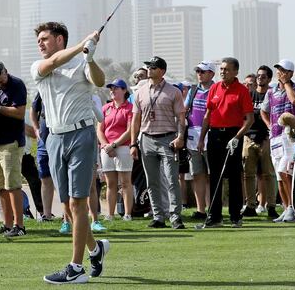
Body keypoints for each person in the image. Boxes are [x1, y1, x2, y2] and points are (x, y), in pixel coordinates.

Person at [31, 22, 109, 285]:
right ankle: (95, 249)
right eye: (38, 40)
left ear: (59, 39)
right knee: (67, 207)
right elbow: (50, 63)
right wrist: (82, 45)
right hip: (54, 137)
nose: (40, 43)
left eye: (45, 39)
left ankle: (76, 267)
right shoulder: (38, 66)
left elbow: (100, 81)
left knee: (78, 203)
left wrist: (90, 57)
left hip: (82, 135)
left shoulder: (81, 63)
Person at [129, 56, 186, 230]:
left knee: (171, 180)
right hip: (147, 139)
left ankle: (175, 217)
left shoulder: (173, 91)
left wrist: (180, 136)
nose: (149, 70)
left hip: (168, 139)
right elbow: (135, 120)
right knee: (152, 181)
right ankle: (158, 217)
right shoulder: (140, 91)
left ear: (162, 71)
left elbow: (181, 118)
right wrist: (133, 144)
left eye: (153, 68)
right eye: (148, 67)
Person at [197, 57, 254, 228]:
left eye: (227, 69)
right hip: (215, 135)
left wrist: (237, 138)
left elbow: (249, 119)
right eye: (221, 69)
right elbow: (207, 115)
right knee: (215, 176)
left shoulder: (242, 90)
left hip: (233, 134)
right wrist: (201, 138)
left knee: (234, 176)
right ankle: (215, 217)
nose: (223, 72)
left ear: (236, 72)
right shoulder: (214, 88)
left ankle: (235, 216)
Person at [260, 59, 295, 223]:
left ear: (290, 73)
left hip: (292, 136)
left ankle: (293, 207)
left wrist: (286, 84)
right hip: (276, 137)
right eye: (279, 70)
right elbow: (263, 111)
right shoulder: (271, 92)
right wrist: (269, 125)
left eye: (284, 70)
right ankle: (287, 208)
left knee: (287, 172)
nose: (280, 72)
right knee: (279, 176)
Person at [0, 61, 28, 237]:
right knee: (0, 185)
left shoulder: (16, 85)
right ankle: (7, 223)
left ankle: (19, 225)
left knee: (13, 185)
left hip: (11, 141)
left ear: (5, 71)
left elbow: (20, 113)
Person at [241, 66, 278, 219]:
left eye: (263, 76)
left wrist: (268, 137)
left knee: (268, 174)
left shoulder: (272, 95)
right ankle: (250, 205)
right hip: (249, 138)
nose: (260, 79)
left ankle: (271, 206)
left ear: (269, 79)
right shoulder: (249, 95)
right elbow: (244, 117)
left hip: (267, 138)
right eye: (258, 76)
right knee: (248, 175)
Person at [97, 79, 134, 221]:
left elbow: (130, 130)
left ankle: (127, 214)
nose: (112, 91)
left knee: (125, 182)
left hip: (123, 147)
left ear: (124, 90)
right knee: (110, 183)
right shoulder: (106, 108)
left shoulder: (130, 107)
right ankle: (110, 215)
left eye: (116, 88)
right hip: (106, 149)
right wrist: (106, 145)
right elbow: (100, 130)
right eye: (111, 89)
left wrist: (114, 145)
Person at [185, 61, 215, 221]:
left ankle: (212, 209)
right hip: (192, 138)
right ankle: (200, 210)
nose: (199, 74)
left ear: (211, 74)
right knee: (197, 175)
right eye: (198, 71)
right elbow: (185, 110)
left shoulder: (216, 89)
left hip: (211, 137)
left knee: (212, 175)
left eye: (203, 71)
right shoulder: (193, 90)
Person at [30, 92, 56, 222]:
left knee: (63, 178)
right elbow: (33, 110)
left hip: (60, 139)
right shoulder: (42, 90)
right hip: (43, 141)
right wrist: (36, 129)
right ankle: (47, 214)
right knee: (45, 177)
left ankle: (67, 216)